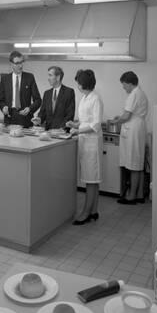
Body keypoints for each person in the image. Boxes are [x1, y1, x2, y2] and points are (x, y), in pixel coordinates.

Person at [66, 69, 104, 225]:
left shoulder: (96, 99)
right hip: (85, 140)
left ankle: (86, 213)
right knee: (92, 179)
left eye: (78, 82)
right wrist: (74, 124)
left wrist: (77, 130)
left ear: (83, 83)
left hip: (92, 143)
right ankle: (94, 211)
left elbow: (95, 124)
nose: (77, 85)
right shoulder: (85, 98)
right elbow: (85, 120)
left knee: (91, 179)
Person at [114, 71, 149, 204]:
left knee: (133, 165)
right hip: (137, 128)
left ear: (129, 83)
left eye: (124, 85)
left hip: (133, 131)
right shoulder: (140, 93)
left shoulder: (134, 94)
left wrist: (115, 121)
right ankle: (139, 194)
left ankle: (132, 196)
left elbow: (126, 116)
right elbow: (128, 114)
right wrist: (121, 117)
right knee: (138, 164)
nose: (123, 88)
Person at [0, 50, 41, 128]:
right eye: (17, 63)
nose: (20, 66)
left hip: (26, 118)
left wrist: (30, 109)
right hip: (10, 118)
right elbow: (1, 100)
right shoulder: (5, 79)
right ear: (11, 64)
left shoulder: (29, 77)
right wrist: (3, 107)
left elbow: (38, 100)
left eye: (21, 62)